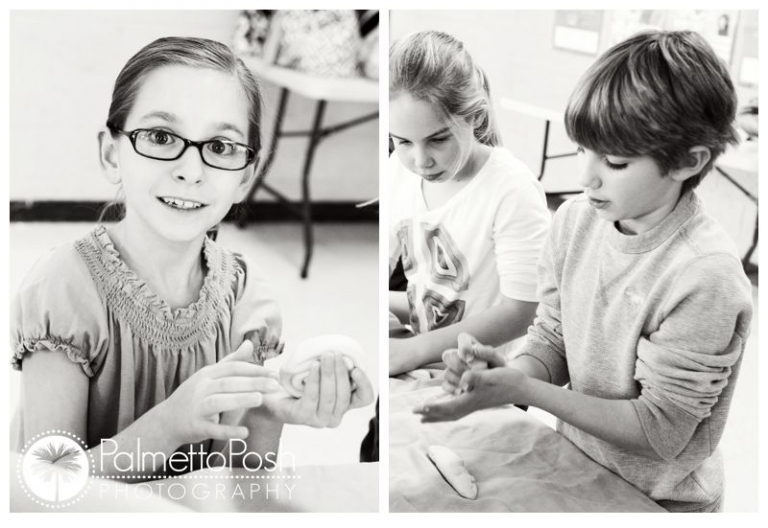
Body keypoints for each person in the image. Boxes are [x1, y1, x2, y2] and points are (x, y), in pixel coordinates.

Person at [418, 30, 753, 513]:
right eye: (582, 151)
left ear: (688, 161)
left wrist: (525, 391)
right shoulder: (576, 221)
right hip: (578, 467)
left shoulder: (705, 277)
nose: (586, 177)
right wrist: (506, 374)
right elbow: (555, 340)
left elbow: (660, 431)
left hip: (660, 500)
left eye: (615, 161)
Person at [11, 36, 373, 478]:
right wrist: (170, 425)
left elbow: (241, 481)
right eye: (162, 137)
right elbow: (46, 487)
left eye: (220, 147)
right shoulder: (63, 289)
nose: (190, 169)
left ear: (245, 178)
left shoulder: (247, 297)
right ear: (111, 154)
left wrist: (272, 412)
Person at [388, 31, 551, 376]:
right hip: (422, 363)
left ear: (475, 117)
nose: (420, 161)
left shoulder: (511, 189)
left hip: (488, 377)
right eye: (402, 142)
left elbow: (523, 312)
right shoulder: (397, 171)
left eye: (438, 140)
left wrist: (412, 351)